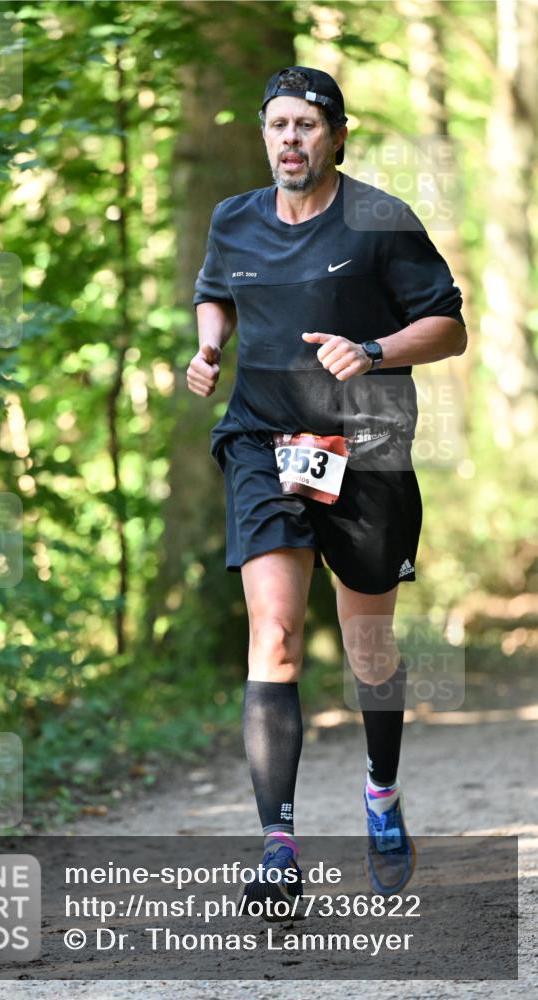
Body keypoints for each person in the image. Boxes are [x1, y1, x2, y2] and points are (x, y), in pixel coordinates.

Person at [187, 66, 466, 911]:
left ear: (337, 135)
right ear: (264, 135)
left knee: (367, 643)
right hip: (262, 439)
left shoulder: (381, 218)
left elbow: (449, 327)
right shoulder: (232, 219)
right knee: (271, 632)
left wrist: (374, 351)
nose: (290, 140)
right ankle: (277, 845)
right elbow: (214, 295)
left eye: (306, 125)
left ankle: (380, 795)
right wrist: (207, 351)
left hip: (369, 443)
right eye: (277, 125)